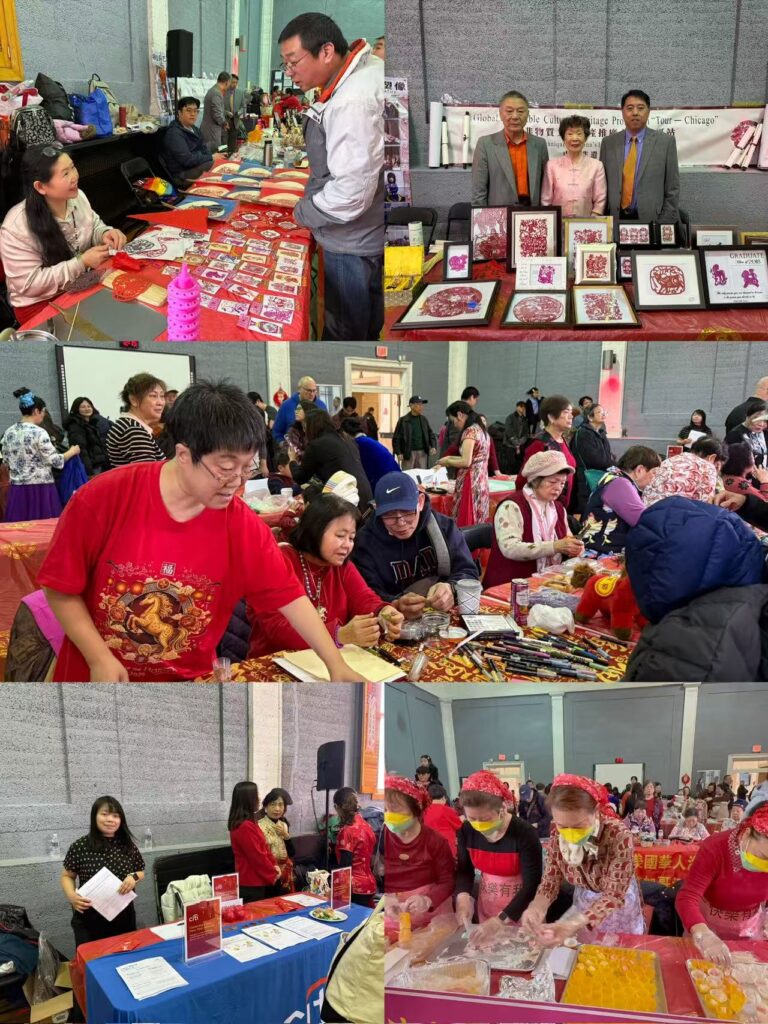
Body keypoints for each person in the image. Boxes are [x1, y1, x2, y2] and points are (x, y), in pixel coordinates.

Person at [37, 382, 366, 682]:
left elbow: (289, 598)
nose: (237, 482)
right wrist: (98, 658)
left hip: (188, 685)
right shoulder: (103, 498)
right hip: (94, 678)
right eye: (226, 468)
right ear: (184, 454)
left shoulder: (242, 526)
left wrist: (335, 664)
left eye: (246, 467)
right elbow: (60, 588)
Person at [278, 13, 384, 340]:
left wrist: (304, 212)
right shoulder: (361, 75)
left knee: (345, 329)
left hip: (351, 239)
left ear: (326, 51)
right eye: (285, 64)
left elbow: (350, 192)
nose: (289, 72)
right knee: (365, 322)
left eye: (293, 61)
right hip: (368, 233)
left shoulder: (352, 100)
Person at [246, 494, 403, 657]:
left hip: (326, 660)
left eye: (351, 538)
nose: (347, 545)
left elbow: (363, 598)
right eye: (340, 536)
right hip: (275, 661)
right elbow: (278, 629)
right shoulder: (277, 563)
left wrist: (383, 613)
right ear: (315, 530)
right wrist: (338, 635)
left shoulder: (340, 565)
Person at [0, 144, 127, 324]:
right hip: (39, 303)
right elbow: (29, 285)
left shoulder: (77, 197)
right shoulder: (17, 227)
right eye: (65, 174)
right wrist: (81, 263)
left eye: (73, 167)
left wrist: (104, 233)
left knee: (123, 307)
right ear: (40, 187)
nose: (75, 176)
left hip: (79, 283)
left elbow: (93, 224)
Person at [520, 774, 644, 945]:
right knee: (585, 951)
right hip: (584, 902)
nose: (570, 833)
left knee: (619, 952)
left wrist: (571, 924)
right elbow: (550, 881)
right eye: (562, 826)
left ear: (596, 811)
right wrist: (537, 907)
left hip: (617, 905)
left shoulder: (618, 835)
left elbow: (614, 894)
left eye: (578, 826)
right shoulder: (557, 836)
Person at [351, 472, 479, 618]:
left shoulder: (443, 527)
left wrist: (452, 588)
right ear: (377, 509)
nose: (401, 522)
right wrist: (394, 604)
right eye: (390, 515)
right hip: (395, 621)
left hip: (441, 617)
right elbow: (364, 595)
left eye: (407, 512)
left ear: (420, 502)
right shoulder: (364, 544)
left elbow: (469, 571)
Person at [454, 772, 542, 949]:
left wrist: (501, 919)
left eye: (485, 819)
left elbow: (532, 885)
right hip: (488, 902)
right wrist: (462, 897)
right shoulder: (466, 831)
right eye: (472, 818)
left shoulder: (524, 833)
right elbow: (464, 870)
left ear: (502, 809)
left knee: (520, 951)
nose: (478, 824)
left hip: (521, 907)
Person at [676, 803, 768, 967]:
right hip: (707, 926)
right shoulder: (716, 847)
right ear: (747, 833)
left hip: (750, 929)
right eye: (764, 857)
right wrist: (703, 935)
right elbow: (688, 897)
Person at [485, 451, 584, 588]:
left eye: (562, 483)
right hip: (511, 585)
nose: (558, 488)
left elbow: (567, 539)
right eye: (552, 482)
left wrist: (574, 547)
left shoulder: (558, 509)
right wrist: (555, 546)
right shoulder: (512, 506)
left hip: (548, 583)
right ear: (536, 480)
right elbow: (510, 548)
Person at [61, 796, 144, 948]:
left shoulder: (127, 845)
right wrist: (71, 896)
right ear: (95, 816)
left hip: (122, 915)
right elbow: (67, 876)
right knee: (92, 957)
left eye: (115, 816)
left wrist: (133, 877)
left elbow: (139, 870)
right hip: (89, 917)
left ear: (121, 820)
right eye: (104, 814)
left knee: (124, 956)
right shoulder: (80, 846)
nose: (110, 819)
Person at [600, 89, 680, 232]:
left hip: (652, 220)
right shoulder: (608, 143)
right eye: (630, 108)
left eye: (641, 108)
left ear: (649, 112)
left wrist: (663, 223)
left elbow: (672, 188)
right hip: (615, 219)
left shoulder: (665, 142)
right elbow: (601, 185)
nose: (635, 113)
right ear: (622, 112)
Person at [384, 774, 455, 927]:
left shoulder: (435, 841)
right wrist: (388, 897)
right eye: (385, 809)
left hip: (432, 917)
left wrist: (427, 900)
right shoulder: (384, 838)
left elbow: (447, 881)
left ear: (417, 809)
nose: (389, 814)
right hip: (395, 917)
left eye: (395, 809)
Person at [2, 389, 80, 521]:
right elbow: (55, 460)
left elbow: (6, 460)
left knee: (19, 528)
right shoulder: (39, 432)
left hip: (17, 489)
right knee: (43, 527)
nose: (43, 415)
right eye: (43, 411)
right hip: (41, 488)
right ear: (36, 411)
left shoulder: (9, 432)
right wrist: (72, 452)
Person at [579, 445, 661, 554]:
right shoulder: (621, 484)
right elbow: (644, 521)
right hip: (600, 553)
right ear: (639, 470)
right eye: (654, 473)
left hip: (595, 547)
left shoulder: (612, 476)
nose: (654, 478)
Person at [472, 90, 548, 206]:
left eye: (520, 111)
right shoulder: (485, 144)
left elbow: (545, 188)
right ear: (500, 114)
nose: (515, 116)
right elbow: (479, 192)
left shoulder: (539, 144)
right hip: (499, 214)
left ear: (528, 114)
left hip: (532, 213)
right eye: (509, 111)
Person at [289, 410, 373, 507]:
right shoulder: (347, 439)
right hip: (367, 498)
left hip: (348, 501)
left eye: (305, 426)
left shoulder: (316, 445)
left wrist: (292, 460)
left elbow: (300, 477)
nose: (304, 431)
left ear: (310, 427)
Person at [541, 115, 607, 217]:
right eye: (570, 134)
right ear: (563, 138)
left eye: (579, 133)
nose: (575, 138)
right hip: (558, 223)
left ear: (585, 138)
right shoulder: (552, 166)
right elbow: (546, 200)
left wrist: (592, 222)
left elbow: (600, 200)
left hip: (587, 223)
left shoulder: (597, 166)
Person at [437, 401, 490, 525]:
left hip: (470, 483)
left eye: (453, 420)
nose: (454, 425)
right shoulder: (481, 430)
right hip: (481, 481)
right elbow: (473, 458)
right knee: (477, 521)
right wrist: (448, 458)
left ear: (460, 415)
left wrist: (447, 461)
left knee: (467, 520)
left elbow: (466, 461)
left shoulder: (470, 431)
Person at [519, 395, 577, 508]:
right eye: (566, 412)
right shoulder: (540, 443)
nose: (571, 416)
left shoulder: (562, 440)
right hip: (543, 508)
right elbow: (523, 481)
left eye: (571, 412)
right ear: (551, 417)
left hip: (560, 507)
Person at [228, 781, 280, 903]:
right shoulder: (245, 826)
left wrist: (274, 864)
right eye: (256, 795)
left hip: (256, 880)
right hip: (251, 883)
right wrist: (272, 872)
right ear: (248, 799)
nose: (259, 799)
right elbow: (257, 856)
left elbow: (264, 847)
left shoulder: (250, 823)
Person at [105, 373, 167, 468]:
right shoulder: (134, 430)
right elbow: (146, 474)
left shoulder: (127, 424)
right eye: (153, 396)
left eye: (162, 396)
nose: (160, 402)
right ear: (134, 400)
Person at [642, 438, 726, 506]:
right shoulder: (708, 467)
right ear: (712, 458)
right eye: (718, 466)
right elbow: (706, 506)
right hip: (670, 518)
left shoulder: (670, 460)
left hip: (646, 513)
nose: (717, 471)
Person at [333, 787, 377, 906]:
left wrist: (332, 887)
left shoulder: (347, 831)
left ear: (337, 807)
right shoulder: (367, 826)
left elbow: (345, 867)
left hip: (354, 887)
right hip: (370, 884)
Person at [571, 403, 614, 516]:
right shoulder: (584, 433)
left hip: (600, 477)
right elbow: (596, 459)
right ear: (590, 417)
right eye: (599, 412)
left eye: (603, 411)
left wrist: (612, 462)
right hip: (587, 479)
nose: (603, 414)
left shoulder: (601, 433)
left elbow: (608, 455)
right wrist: (612, 463)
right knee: (588, 512)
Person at [161, 96, 213, 185]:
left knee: (219, 162)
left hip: (195, 166)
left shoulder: (195, 129)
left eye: (195, 111)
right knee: (213, 165)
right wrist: (210, 157)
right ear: (179, 113)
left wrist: (208, 156)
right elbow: (187, 160)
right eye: (189, 110)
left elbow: (204, 149)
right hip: (182, 175)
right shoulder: (174, 133)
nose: (193, 114)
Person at [340, 417, 399, 489]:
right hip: (397, 477)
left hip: (386, 483)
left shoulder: (358, 444)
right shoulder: (368, 440)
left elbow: (362, 472)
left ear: (345, 433)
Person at [256, 788, 296, 894]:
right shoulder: (259, 826)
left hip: (285, 872)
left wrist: (286, 836)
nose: (277, 809)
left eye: (280, 805)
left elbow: (292, 853)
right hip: (268, 872)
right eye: (273, 805)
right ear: (265, 807)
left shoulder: (284, 825)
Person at [272, 377, 327, 445]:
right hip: (292, 447)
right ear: (299, 389)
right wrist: (284, 445)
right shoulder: (286, 405)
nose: (312, 394)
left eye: (314, 390)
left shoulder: (321, 406)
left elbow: (326, 431)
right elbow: (277, 432)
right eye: (309, 390)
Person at [64, 397, 110, 478]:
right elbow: (81, 450)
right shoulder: (75, 426)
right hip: (91, 468)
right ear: (76, 409)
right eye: (83, 407)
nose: (87, 409)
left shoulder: (92, 424)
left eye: (89, 406)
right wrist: (89, 472)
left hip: (99, 464)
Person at [392, 396, 436, 471]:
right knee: (408, 474)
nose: (421, 407)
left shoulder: (423, 419)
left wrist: (433, 446)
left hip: (422, 453)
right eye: (418, 404)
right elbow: (396, 438)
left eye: (422, 404)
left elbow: (430, 434)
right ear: (411, 406)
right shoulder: (403, 420)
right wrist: (398, 452)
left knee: (422, 475)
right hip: (408, 453)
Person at [724, 399, 768, 469]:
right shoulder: (735, 435)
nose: (761, 424)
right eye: (757, 418)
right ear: (747, 416)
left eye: (765, 421)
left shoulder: (761, 432)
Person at [439, 387, 480, 458]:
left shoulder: (469, 415)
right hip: (454, 459)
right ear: (471, 397)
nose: (476, 402)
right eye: (476, 399)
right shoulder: (459, 413)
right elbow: (455, 440)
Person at [423, 784, 462, 859]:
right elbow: (458, 825)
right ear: (444, 797)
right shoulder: (447, 810)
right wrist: (462, 818)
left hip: (430, 846)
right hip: (447, 845)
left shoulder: (425, 811)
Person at [201, 71, 230, 151]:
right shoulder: (216, 93)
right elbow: (217, 114)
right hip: (211, 131)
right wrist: (224, 123)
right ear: (227, 82)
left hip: (209, 129)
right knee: (213, 153)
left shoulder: (213, 91)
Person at [283, 398, 314, 463]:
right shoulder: (293, 430)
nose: (296, 411)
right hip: (297, 464)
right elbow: (292, 451)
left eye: (299, 409)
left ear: (307, 411)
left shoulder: (316, 429)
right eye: (296, 409)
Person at [503, 401, 530, 474]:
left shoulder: (525, 419)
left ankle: (516, 477)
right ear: (517, 407)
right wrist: (515, 442)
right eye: (521, 406)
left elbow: (526, 432)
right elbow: (508, 430)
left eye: (524, 407)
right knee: (510, 463)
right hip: (510, 444)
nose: (522, 408)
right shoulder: (510, 417)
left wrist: (521, 441)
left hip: (520, 445)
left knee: (519, 464)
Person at [225, 73, 245, 154]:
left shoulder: (240, 93)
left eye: (236, 82)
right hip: (224, 121)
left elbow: (243, 107)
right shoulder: (223, 92)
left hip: (235, 121)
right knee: (224, 143)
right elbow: (218, 107)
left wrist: (239, 112)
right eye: (233, 82)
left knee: (233, 144)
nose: (234, 84)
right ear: (228, 82)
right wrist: (226, 112)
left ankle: (231, 155)